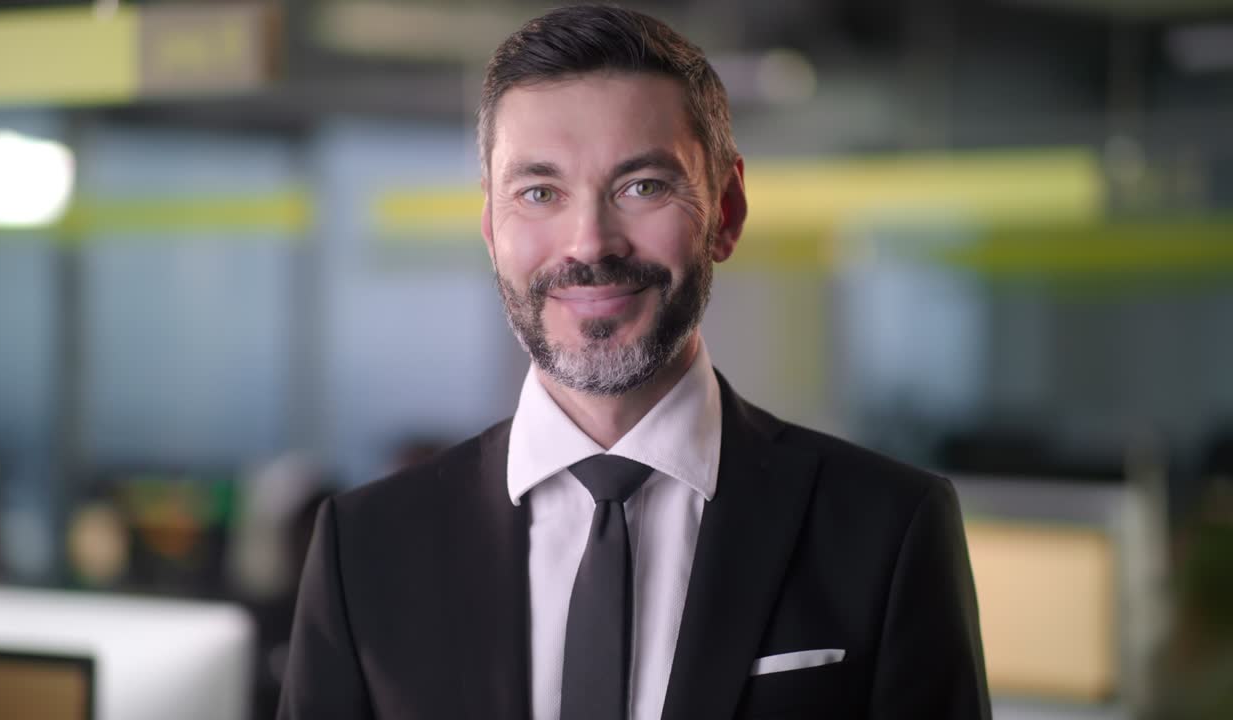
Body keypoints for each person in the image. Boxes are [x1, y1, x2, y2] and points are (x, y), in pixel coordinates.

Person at [279, 5, 990, 719]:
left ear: (728, 210)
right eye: (539, 193)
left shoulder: (889, 530)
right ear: (492, 231)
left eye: (642, 186)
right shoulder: (363, 548)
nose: (590, 243)